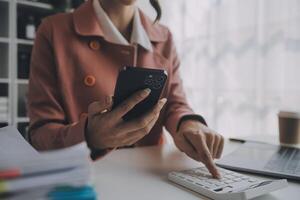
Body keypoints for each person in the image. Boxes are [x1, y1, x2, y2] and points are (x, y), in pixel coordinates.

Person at [28, 0, 224, 178]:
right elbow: (41, 133)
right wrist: (89, 137)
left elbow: (174, 103)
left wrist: (188, 124)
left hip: (153, 175)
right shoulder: (53, 30)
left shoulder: (164, 37)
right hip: (86, 178)